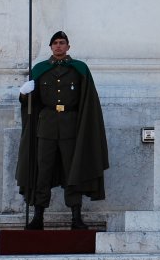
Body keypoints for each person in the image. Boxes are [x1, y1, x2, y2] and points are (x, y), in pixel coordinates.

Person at [15, 31, 109, 230]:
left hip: (71, 127)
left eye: (62, 43)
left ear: (68, 46)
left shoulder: (79, 69)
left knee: (71, 172)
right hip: (46, 128)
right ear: (50, 47)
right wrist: (23, 94)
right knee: (43, 172)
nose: (58, 46)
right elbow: (32, 103)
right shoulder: (40, 70)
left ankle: (76, 218)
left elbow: (88, 100)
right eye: (55, 43)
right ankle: (38, 217)